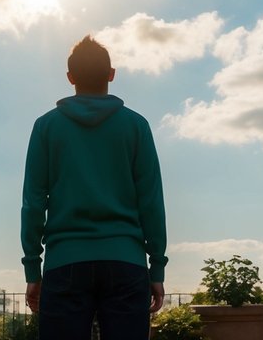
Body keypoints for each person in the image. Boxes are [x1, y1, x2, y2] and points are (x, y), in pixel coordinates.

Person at [20, 35, 167, 340]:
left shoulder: (46, 126)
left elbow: (34, 202)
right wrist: (157, 268)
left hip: (65, 263)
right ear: (112, 74)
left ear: (70, 78)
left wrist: (33, 270)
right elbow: (151, 201)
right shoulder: (136, 126)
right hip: (126, 262)